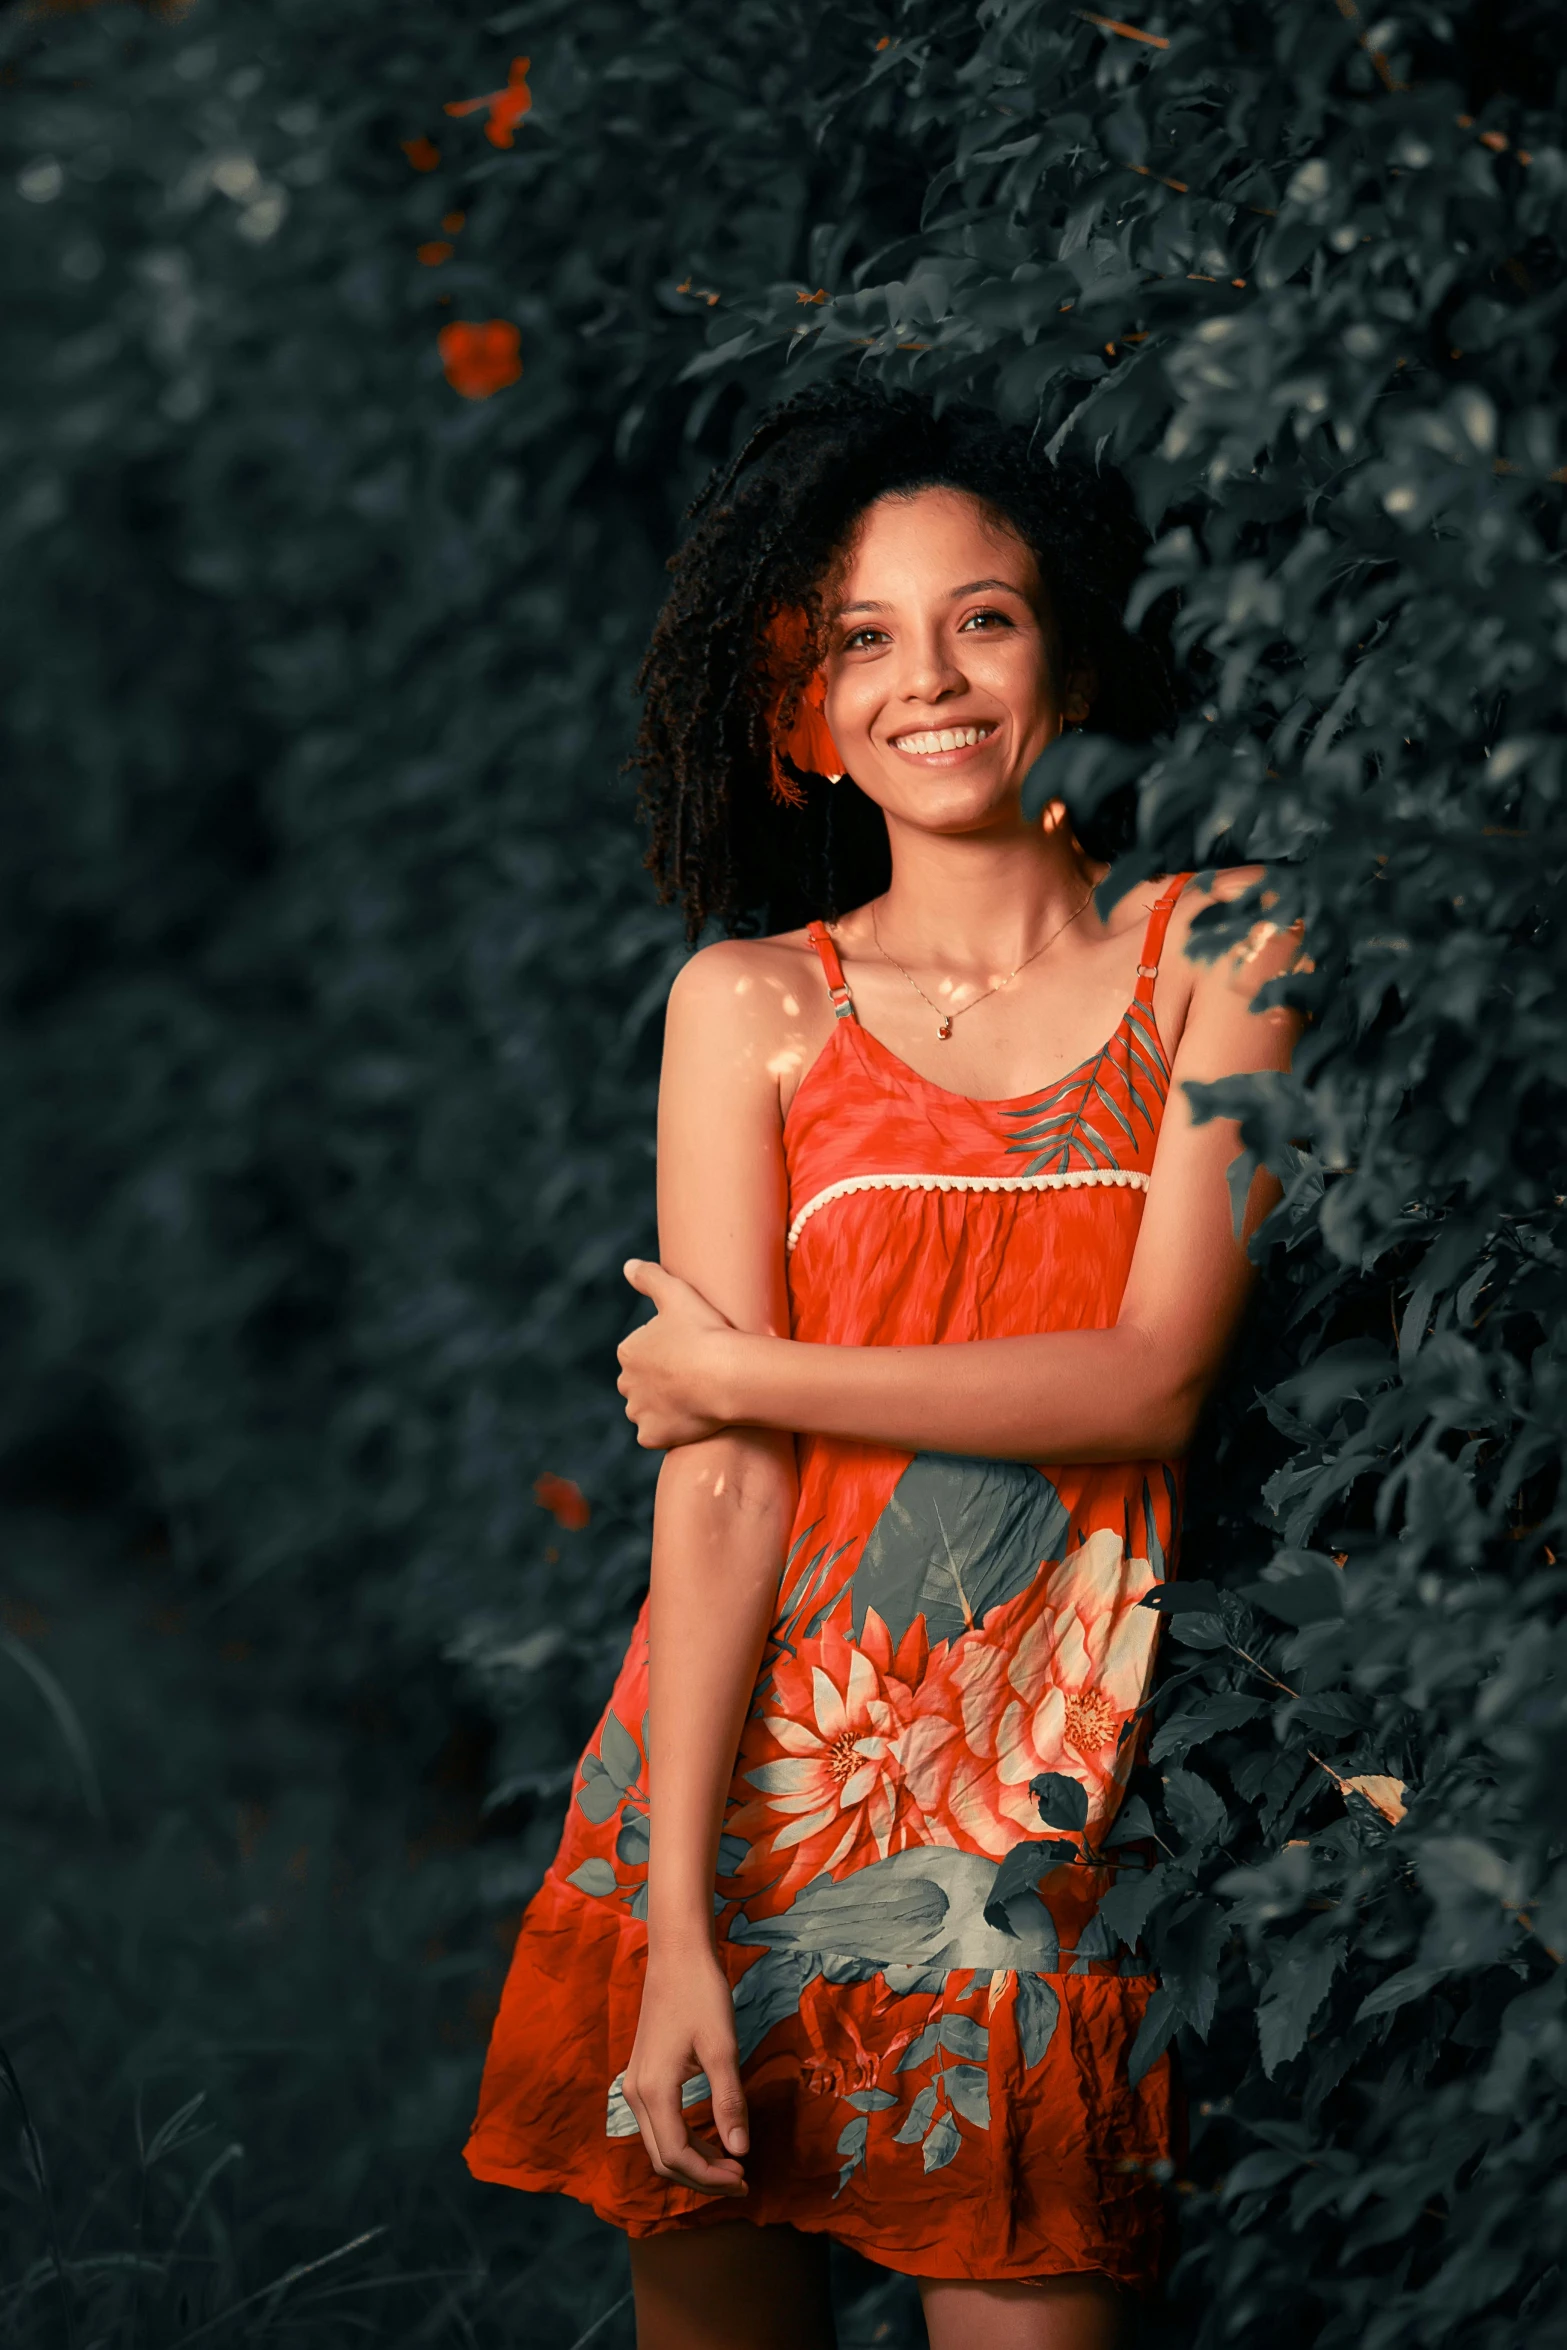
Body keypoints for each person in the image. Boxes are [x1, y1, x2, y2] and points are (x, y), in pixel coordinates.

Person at [465, 385, 1299, 2349]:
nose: (927, 676)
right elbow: (722, 1479)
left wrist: (749, 1363)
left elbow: (1148, 1380)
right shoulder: (749, 1004)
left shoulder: (1222, 949)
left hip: (1030, 1843)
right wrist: (673, 1923)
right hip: (736, 1799)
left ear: (1073, 648)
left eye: (983, 618)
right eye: (862, 635)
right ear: (799, 713)